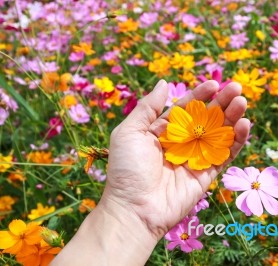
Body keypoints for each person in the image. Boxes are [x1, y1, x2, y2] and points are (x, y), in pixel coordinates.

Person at [51, 80, 250, 265]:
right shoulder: (177, 140)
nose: (197, 131)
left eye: (199, 130)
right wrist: (128, 210)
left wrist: (127, 214)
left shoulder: (212, 139)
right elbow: (177, 135)